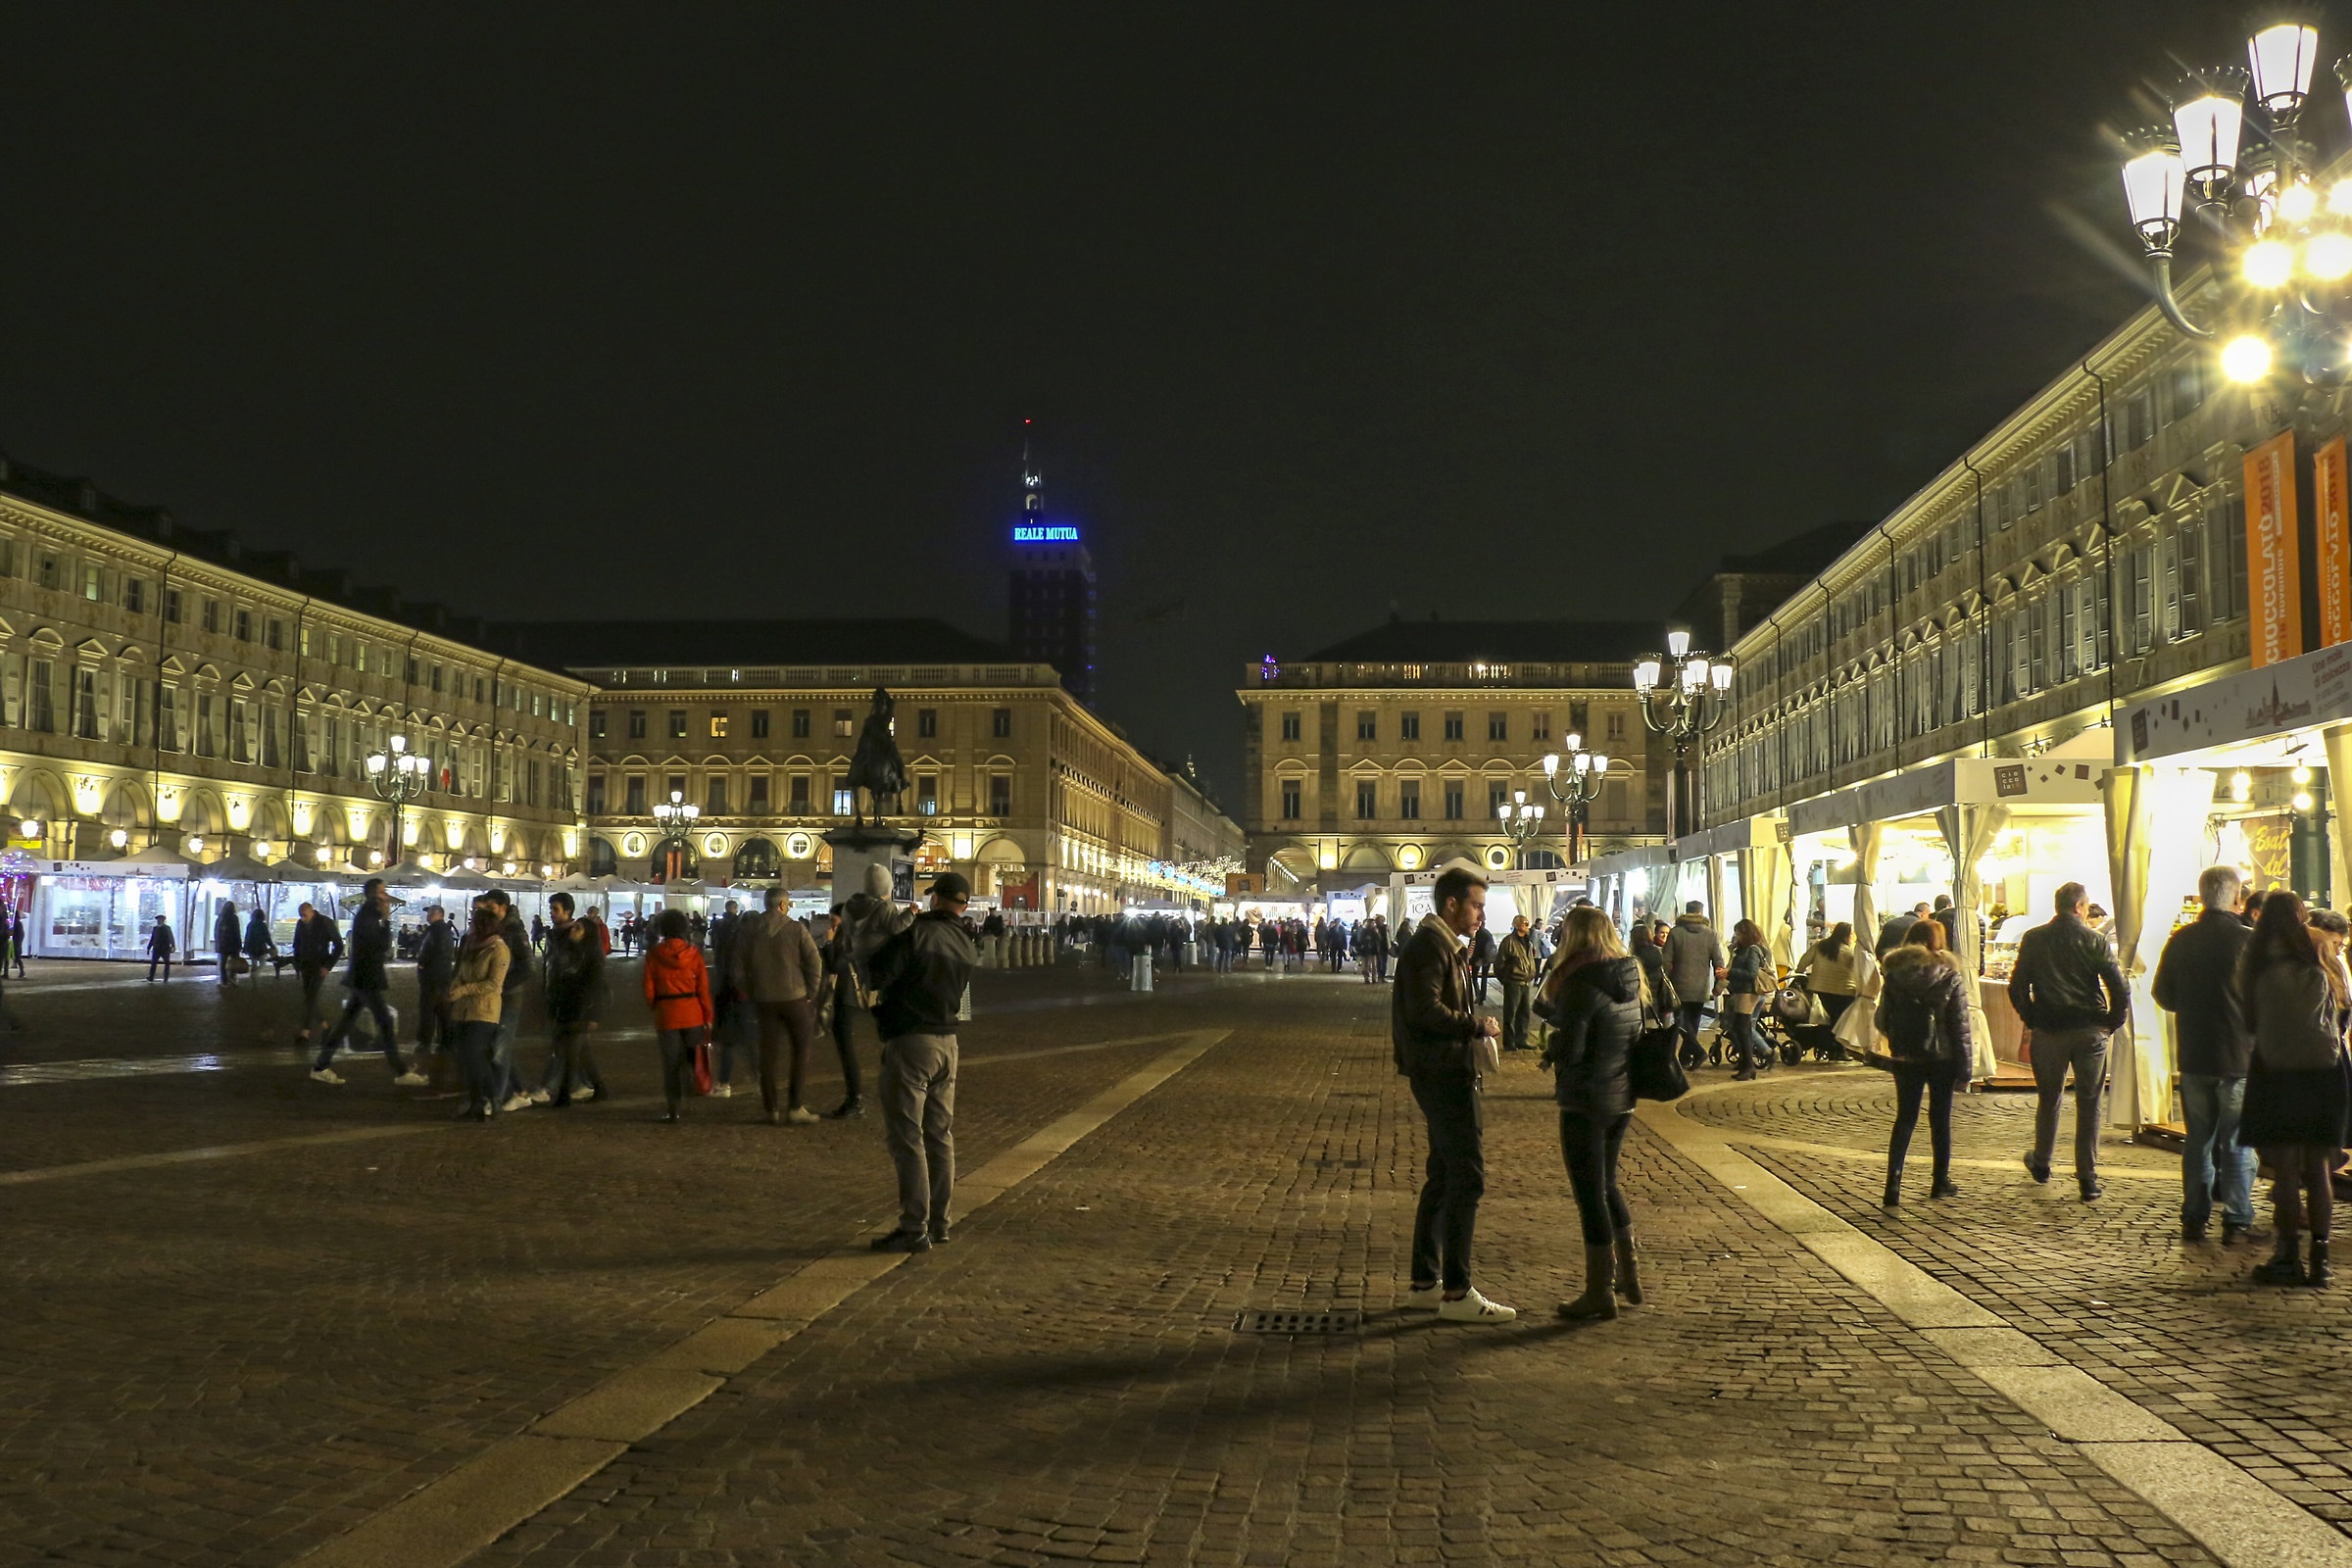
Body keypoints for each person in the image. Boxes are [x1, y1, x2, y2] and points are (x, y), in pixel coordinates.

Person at [1394, 863, 1512, 1323]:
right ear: (1451, 904)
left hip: (1441, 1069)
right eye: (1476, 905)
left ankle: (1425, 1283)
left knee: (1443, 1177)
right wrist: (1475, 1024)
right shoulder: (1430, 947)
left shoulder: (1440, 946)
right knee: (1467, 1177)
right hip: (1443, 1072)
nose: (1481, 914)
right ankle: (1458, 1292)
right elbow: (1425, 1011)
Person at [2238, 892, 2350, 1286]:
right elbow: (2343, 1009)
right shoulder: (2322, 951)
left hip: (2276, 1070)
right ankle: (2320, 1258)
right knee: (2320, 1168)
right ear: (2303, 916)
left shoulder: (2258, 958)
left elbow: (2250, 1020)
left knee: (2285, 1170)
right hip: (2325, 1071)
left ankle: (2287, 1255)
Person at [1540, 906, 1645, 1322]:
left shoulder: (1580, 982)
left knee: (1590, 1195)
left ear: (1575, 935)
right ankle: (1629, 1276)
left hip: (1586, 1098)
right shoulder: (1628, 977)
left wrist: (1553, 1046)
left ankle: (1599, 1291)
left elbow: (1573, 1049)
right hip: (1622, 1096)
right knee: (1608, 1186)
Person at [866, 871, 980, 1253]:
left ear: (935, 899)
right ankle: (939, 1221)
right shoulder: (966, 941)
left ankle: (913, 1225)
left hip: (913, 1039)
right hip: (949, 1043)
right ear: (963, 904)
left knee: (907, 1137)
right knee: (939, 1136)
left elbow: (877, 973)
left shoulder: (918, 932)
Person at [2152, 865, 2258, 1245]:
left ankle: (2194, 1216)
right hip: (2239, 1057)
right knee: (2237, 1142)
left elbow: (2162, 995)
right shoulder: (2249, 941)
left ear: (2201, 897)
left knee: (2199, 1141)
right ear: (2235, 897)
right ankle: (2237, 1217)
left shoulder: (2182, 940)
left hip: (2195, 1055)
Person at [2007, 881, 2130, 1200]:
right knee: (2089, 1103)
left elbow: (2017, 987)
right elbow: (2119, 987)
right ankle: (2087, 1177)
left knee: (2049, 1098)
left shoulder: (2034, 938)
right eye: (2087, 905)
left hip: (2049, 1029)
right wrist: (2110, 1023)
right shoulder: (2094, 940)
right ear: (2078, 907)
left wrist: (2032, 1018)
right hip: (2090, 1030)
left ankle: (2043, 1162)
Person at [1877, 919, 1972, 1206]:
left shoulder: (1893, 975)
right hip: (1942, 1056)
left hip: (1906, 1055)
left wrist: (1898, 1041)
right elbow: (1960, 1025)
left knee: (1905, 1117)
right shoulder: (1949, 976)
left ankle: (1893, 1183)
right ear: (1937, 941)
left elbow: (1883, 1018)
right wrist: (1965, 1067)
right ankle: (1940, 1181)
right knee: (1940, 1119)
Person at [311, 879, 422, 1086]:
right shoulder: (369, 915)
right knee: (385, 1023)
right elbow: (380, 946)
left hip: (362, 978)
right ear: (374, 895)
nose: (386, 895)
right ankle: (401, 1072)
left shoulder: (368, 914)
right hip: (366, 979)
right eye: (383, 892)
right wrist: (387, 920)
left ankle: (320, 1065)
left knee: (345, 1024)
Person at [740, 884, 826, 1124]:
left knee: (768, 1055)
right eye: (787, 904)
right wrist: (811, 991)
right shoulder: (796, 929)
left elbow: (738, 968)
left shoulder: (750, 931)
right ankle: (795, 1107)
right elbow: (814, 962)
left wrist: (751, 990)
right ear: (781, 905)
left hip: (764, 1000)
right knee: (801, 1051)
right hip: (795, 998)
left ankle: (771, 1109)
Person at [643, 906, 713, 1122]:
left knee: (671, 1064)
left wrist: (657, 1006)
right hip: (692, 1012)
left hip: (667, 1014)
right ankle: (696, 1089)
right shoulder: (694, 954)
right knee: (695, 1058)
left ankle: (674, 1108)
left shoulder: (654, 955)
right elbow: (703, 989)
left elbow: (648, 989)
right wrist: (708, 1017)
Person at [541, 893, 609, 1106]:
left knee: (570, 1052)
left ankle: (563, 1095)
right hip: (566, 1005)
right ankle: (600, 1087)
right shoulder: (570, 948)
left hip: (581, 1009)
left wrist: (591, 1013)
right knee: (581, 1052)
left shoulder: (591, 957)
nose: (574, 931)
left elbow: (595, 986)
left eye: (578, 929)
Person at [446, 904, 512, 1121]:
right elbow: (461, 972)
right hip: (463, 1009)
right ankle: (477, 1104)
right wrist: (455, 985)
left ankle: (492, 1099)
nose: (470, 926)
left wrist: (464, 990)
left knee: (476, 1057)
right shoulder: (471, 945)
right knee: (467, 1058)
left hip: (484, 1010)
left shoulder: (499, 949)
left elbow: (494, 983)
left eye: (473, 922)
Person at [820, 898, 869, 1119]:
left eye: (834, 920)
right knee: (844, 1049)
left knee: (847, 1049)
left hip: (846, 997)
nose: (831, 925)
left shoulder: (849, 940)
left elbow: (837, 966)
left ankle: (855, 1099)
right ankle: (853, 1098)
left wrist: (829, 944)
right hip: (841, 997)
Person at [1663, 902, 1725, 1071]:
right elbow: (1718, 962)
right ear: (1700, 912)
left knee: (1681, 1023)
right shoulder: (1710, 934)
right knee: (1693, 1023)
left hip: (1679, 986)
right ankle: (1685, 1056)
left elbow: (1666, 962)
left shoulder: (1676, 933)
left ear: (1687, 912)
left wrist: (1665, 983)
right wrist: (1718, 985)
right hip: (1700, 986)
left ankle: (1696, 1052)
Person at [1722, 919, 1770, 1079]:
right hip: (1739, 992)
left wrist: (1730, 973)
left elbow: (1751, 974)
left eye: (1739, 933)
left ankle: (1749, 1067)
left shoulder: (1753, 950)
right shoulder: (1740, 950)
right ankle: (1745, 1065)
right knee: (1739, 1029)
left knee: (1743, 1029)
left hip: (1748, 993)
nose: (1736, 936)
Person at [414, 905, 458, 1081]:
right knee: (440, 1010)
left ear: (438, 914)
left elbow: (439, 953)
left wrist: (425, 966)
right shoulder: (438, 930)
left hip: (434, 979)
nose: (428, 916)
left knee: (431, 1010)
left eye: (430, 913)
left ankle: (429, 1042)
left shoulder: (439, 931)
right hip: (438, 978)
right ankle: (443, 1041)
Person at [291, 902, 342, 1041]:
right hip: (307, 965)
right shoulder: (302, 924)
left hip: (319, 966)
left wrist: (328, 965)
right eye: (301, 916)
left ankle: (305, 1031)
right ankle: (325, 1026)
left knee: (311, 997)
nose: (303, 919)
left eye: (304, 916)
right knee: (310, 998)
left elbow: (339, 945)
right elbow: (297, 944)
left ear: (311, 912)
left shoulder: (325, 922)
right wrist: (298, 963)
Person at [1493, 914, 1542, 1053]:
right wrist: (1506, 979)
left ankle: (1521, 1039)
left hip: (1525, 982)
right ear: (1517, 925)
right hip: (1513, 981)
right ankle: (1509, 1042)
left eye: (1527, 923)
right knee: (1511, 1013)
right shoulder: (1509, 941)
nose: (1527, 926)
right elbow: (1499, 963)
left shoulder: (1528, 941)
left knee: (1524, 1012)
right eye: (1525, 923)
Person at [214, 900, 242, 987]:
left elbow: (216, 932)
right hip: (233, 944)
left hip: (223, 944)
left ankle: (224, 981)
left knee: (223, 964)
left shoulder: (220, 918)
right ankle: (232, 979)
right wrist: (239, 944)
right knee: (233, 963)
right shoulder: (234, 918)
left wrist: (218, 942)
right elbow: (237, 932)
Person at [243, 906, 275, 978]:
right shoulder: (263, 925)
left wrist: (245, 948)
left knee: (254, 963)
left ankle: (253, 977)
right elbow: (267, 937)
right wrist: (272, 946)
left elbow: (247, 937)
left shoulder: (250, 924)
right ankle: (256, 975)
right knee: (263, 963)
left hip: (251, 947)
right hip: (261, 947)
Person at [1469, 921, 1496, 1004]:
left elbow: (1475, 948)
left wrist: (1471, 960)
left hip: (1478, 959)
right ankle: (1482, 997)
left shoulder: (1476, 934)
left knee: (1474, 977)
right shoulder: (1488, 934)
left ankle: (1478, 994)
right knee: (1484, 977)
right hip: (1487, 959)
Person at [146, 913, 174, 981]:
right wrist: (149, 947)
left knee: (164, 963)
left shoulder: (165, 928)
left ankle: (164, 977)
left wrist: (173, 946)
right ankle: (153, 977)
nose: (158, 921)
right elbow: (153, 938)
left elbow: (171, 938)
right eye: (158, 919)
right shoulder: (157, 928)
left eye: (159, 919)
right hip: (159, 948)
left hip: (163, 948)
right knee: (155, 963)